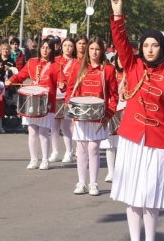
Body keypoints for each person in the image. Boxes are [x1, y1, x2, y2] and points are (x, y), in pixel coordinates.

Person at [109, 0, 164, 241]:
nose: (149, 49)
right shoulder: (132, 66)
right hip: (132, 139)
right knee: (132, 194)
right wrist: (118, 13)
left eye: (154, 45)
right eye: (145, 45)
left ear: (162, 48)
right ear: (140, 47)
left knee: (151, 195)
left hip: (158, 142)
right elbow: (120, 41)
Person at [65, 36, 118, 195]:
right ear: (87, 50)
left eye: (97, 49)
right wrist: (70, 103)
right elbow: (70, 91)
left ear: (102, 51)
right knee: (81, 149)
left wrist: (108, 114)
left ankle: (93, 183)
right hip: (81, 115)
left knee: (94, 149)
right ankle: (81, 182)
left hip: (98, 116)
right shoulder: (78, 67)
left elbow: (114, 96)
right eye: (92, 49)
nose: (94, 52)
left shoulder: (108, 69)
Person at [6, 39, 65, 170]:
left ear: (52, 50)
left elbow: (63, 81)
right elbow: (21, 75)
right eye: (43, 47)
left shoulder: (56, 66)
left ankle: (45, 159)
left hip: (47, 101)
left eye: (48, 48)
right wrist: (11, 80)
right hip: (32, 100)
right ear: (39, 48)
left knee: (43, 132)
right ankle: (33, 159)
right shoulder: (32, 62)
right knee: (32, 131)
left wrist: (62, 84)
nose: (45, 50)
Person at [52, 37, 78, 163]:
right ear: (61, 47)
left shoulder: (77, 62)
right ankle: (55, 151)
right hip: (55, 96)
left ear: (74, 48)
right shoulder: (56, 60)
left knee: (66, 125)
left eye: (70, 45)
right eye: (65, 45)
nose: (68, 48)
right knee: (54, 126)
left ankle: (69, 152)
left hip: (68, 96)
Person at [102, 54, 125, 182]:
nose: (121, 62)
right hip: (112, 109)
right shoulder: (111, 72)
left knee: (123, 144)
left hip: (126, 111)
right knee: (110, 143)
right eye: (119, 59)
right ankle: (111, 171)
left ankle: (121, 171)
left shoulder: (131, 74)